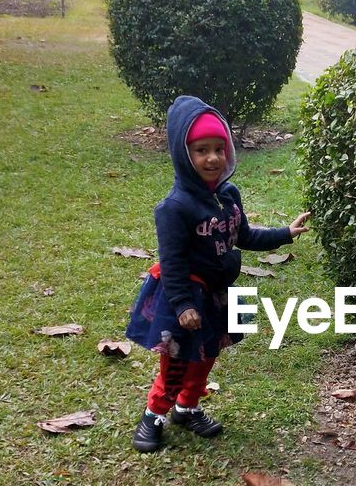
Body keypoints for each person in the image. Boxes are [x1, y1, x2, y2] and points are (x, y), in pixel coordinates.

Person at [127, 95, 310, 453]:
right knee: (177, 358)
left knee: (209, 352)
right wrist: (181, 305)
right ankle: (154, 414)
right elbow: (173, 261)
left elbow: (243, 235)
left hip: (219, 294)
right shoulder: (174, 208)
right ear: (184, 155)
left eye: (218, 149)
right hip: (187, 297)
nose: (212, 158)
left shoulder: (228, 194)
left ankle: (187, 406)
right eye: (200, 150)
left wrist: (284, 233)